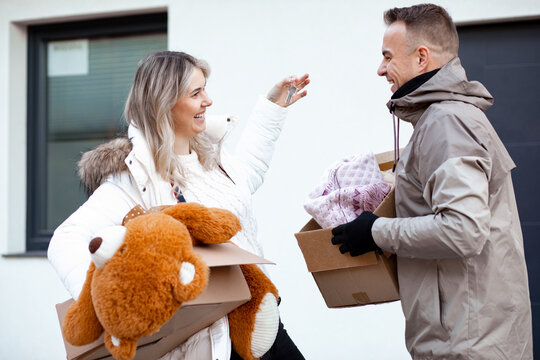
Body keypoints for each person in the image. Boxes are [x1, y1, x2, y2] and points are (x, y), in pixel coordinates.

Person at [48, 51, 309, 360]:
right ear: (165, 104)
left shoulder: (212, 157)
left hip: (262, 323)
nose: (208, 100)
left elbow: (246, 179)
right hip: (213, 342)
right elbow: (66, 239)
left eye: (205, 89)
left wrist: (271, 109)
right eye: (196, 93)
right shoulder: (134, 176)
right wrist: (107, 300)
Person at [331, 4, 533, 359]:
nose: (380, 69)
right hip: (469, 336)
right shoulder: (443, 119)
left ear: (421, 58)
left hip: (467, 343)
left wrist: (375, 231)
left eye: (387, 57)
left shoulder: (446, 122)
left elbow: (463, 230)